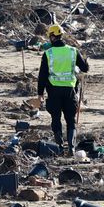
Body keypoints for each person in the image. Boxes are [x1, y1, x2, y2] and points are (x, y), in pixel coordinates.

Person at [37, 24, 89, 154]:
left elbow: (42, 75)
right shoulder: (73, 51)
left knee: (56, 118)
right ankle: (71, 147)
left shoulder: (48, 54)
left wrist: (40, 93)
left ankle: (59, 147)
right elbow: (84, 68)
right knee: (70, 119)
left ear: (52, 37)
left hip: (54, 90)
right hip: (70, 90)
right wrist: (85, 60)